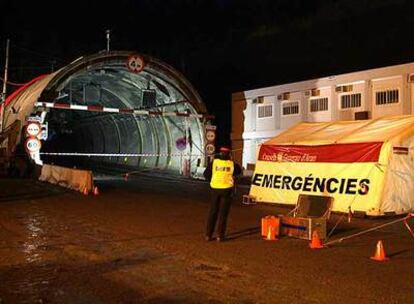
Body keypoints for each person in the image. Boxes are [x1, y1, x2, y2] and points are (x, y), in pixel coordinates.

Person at [203, 146, 242, 242]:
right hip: (227, 190)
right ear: (229, 154)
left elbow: (206, 174)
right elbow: (239, 172)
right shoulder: (232, 164)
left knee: (213, 212)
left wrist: (212, 180)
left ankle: (208, 235)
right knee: (223, 213)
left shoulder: (214, 163)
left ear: (220, 153)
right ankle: (220, 235)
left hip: (215, 189)